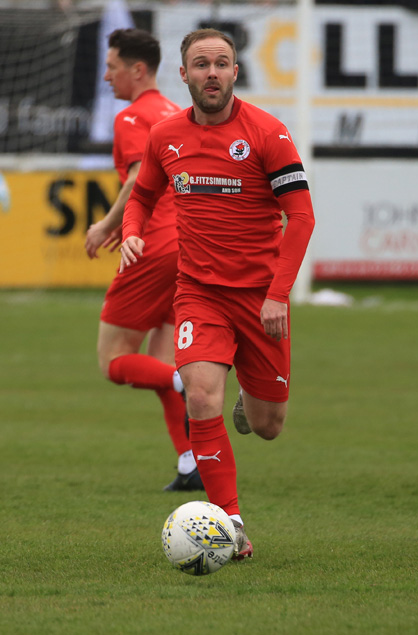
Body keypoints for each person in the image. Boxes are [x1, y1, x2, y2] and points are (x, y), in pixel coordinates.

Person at [119, 28, 316, 561]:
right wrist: (132, 229)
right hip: (199, 293)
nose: (212, 73)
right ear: (183, 74)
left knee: (270, 426)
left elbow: (301, 216)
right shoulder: (165, 136)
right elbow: (142, 195)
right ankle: (230, 524)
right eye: (201, 64)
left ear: (235, 72)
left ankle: (251, 407)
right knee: (200, 396)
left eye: (222, 63)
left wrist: (278, 294)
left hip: (260, 300)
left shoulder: (267, 134)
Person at [85, 28, 201, 493]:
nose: (107, 76)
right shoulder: (178, 114)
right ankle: (191, 463)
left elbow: (136, 180)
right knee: (156, 360)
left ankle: (185, 379)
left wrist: (108, 226)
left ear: (138, 70)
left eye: (112, 67)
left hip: (151, 248)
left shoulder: (135, 116)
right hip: (189, 247)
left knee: (114, 360)